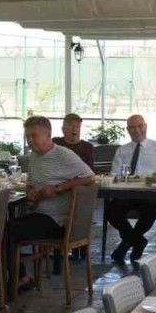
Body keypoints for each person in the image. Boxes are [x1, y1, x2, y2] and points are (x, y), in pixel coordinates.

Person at [6, 116, 95, 282]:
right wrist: (30, 192)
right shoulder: (34, 156)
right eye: (27, 136)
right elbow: (31, 184)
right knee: (2, 229)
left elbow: (90, 177)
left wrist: (58, 188)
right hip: (39, 214)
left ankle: (20, 279)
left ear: (48, 135)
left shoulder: (63, 155)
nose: (29, 141)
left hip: (58, 221)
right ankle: (19, 278)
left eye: (34, 136)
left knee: (6, 231)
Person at [105, 114, 156, 263]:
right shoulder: (122, 150)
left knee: (150, 210)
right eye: (132, 128)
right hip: (127, 194)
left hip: (151, 193)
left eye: (140, 126)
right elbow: (114, 175)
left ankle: (125, 245)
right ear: (127, 130)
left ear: (145, 126)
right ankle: (138, 241)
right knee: (112, 211)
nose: (137, 130)